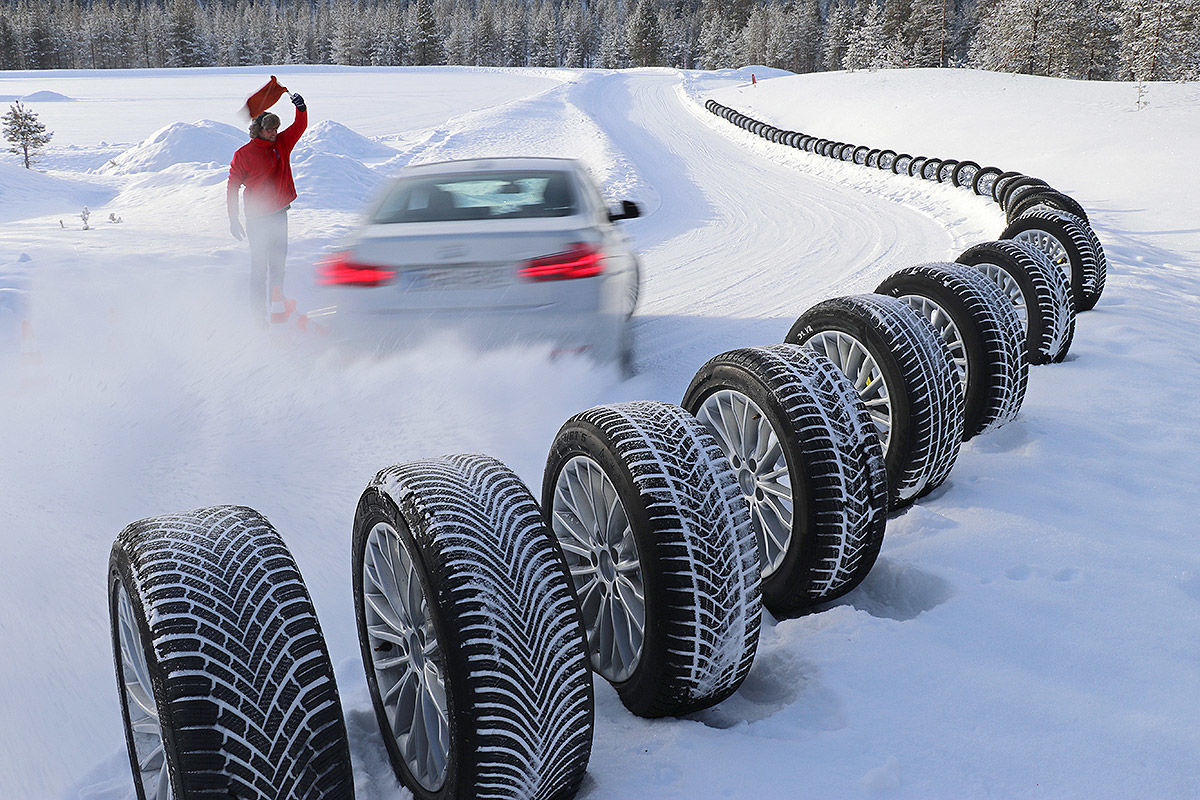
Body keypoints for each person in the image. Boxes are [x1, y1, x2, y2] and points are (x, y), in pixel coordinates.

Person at [227, 91, 307, 323]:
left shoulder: (281, 144)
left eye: (275, 129)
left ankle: (278, 309)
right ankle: (258, 314)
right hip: (257, 220)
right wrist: (233, 218)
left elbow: (299, 127)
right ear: (258, 130)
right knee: (259, 267)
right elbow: (232, 187)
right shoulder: (243, 155)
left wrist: (301, 108)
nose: (274, 134)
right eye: (269, 130)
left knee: (278, 266)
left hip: (279, 216)